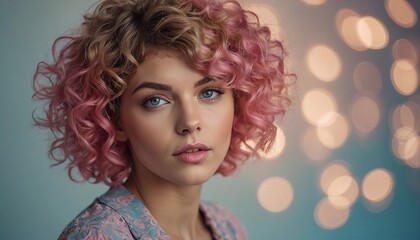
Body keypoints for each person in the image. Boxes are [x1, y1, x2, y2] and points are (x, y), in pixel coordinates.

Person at [33, 0, 292, 239]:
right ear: (115, 119)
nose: (190, 122)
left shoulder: (229, 226)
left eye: (209, 92)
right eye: (155, 100)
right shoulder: (98, 235)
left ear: (238, 102)